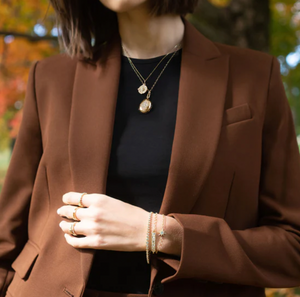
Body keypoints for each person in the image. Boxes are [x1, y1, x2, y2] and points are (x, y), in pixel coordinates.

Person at [1, 0, 300, 297]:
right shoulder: (50, 78)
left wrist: (163, 234)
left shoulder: (257, 76)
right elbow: (8, 233)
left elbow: (291, 247)